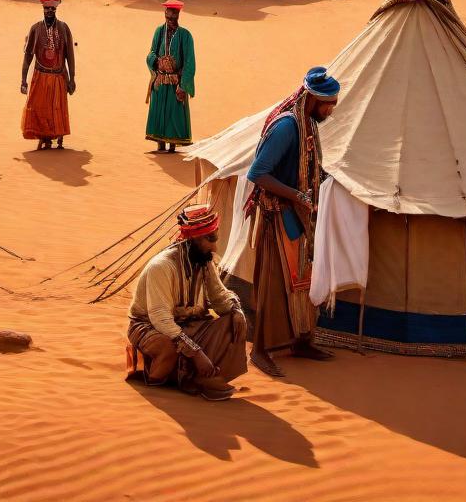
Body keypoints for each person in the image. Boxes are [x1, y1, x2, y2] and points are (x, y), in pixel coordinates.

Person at [246, 65, 340, 378]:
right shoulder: (288, 128)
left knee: (304, 283)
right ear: (313, 100)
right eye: (329, 104)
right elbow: (258, 173)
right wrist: (296, 196)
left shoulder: (309, 125)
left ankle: (301, 341)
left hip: (301, 217)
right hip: (279, 217)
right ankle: (259, 351)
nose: (332, 109)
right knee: (273, 286)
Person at [126, 204, 248, 401]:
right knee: (169, 348)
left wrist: (235, 309)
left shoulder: (203, 259)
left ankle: (202, 377)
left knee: (233, 321)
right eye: (211, 239)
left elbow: (218, 296)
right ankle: (164, 379)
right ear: (194, 238)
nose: (215, 247)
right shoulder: (162, 266)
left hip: (189, 324)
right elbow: (160, 318)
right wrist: (196, 353)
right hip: (150, 326)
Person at [20, 0, 76, 150]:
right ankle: (43, 137)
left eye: (53, 9)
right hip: (40, 75)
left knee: (56, 108)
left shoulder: (64, 28)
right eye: (47, 9)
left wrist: (72, 78)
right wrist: (23, 80)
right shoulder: (36, 29)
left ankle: (56, 136)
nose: (50, 12)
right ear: (43, 10)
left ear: (56, 10)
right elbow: (28, 56)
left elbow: (69, 56)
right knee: (38, 108)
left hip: (58, 76)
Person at [145, 0, 195, 153]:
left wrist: (183, 85)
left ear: (178, 16)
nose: (171, 21)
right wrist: (156, 62)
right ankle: (160, 143)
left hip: (176, 82)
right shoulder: (159, 32)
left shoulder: (186, 35)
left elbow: (189, 62)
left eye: (174, 18)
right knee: (158, 110)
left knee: (174, 113)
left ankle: (172, 145)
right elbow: (151, 52)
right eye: (168, 18)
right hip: (160, 79)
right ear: (164, 15)